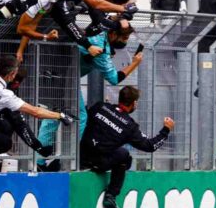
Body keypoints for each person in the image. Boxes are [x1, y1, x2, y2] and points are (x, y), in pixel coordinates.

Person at [0, 28, 76, 176]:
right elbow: (36, 112)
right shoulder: (6, 96)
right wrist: (60, 115)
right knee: (5, 142)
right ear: (12, 74)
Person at [37, 9, 143, 171]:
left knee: (52, 116)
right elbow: (114, 78)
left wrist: (122, 15)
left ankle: (38, 161)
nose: (125, 41)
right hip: (66, 79)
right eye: (125, 37)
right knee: (80, 116)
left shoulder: (98, 32)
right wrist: (135, 63)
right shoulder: (100, 48)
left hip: (54, 73)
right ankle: (74, 158)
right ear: (113, 34)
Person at [80, 87, 174, 208]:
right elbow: (150, 146)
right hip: (98, 163)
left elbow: (85, 114)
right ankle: (111, 195)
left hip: (80, 156)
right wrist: (166, 130)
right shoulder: (129, 126)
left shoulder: (100, 106)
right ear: (134, 103)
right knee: (125, 156)